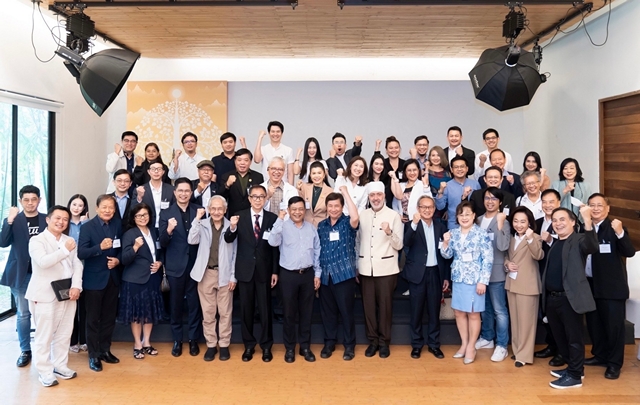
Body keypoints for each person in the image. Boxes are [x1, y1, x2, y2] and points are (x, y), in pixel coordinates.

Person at [26, 205, 83, 387]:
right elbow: (43, 262)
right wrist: (64, 250)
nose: (61, 222)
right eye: (57, 218)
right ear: (48, 219)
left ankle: (60, 365)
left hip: (68, 293)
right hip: (45, 294)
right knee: (44, 335)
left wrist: (76, 286)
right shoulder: (37, 240)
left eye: (65, 219)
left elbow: (77, 265)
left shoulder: (69, 240)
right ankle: (44, 371)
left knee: (65, 333)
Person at [543, 205, 597, 389]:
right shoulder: (557, 243)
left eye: (562, 219)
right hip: (553, 299)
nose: (558, 223)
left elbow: (592, 246)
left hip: (570, 299)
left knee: (574, 339)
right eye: (554, 220)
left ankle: (574, 376)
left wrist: (587, 220)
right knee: (561, 338)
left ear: (573, 222)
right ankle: (575, 369)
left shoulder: (579, 240)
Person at [224, 184, 279, 363]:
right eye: (254, 196)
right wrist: (232, 227)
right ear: (249, 199)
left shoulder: (272, 218)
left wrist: (275, 271)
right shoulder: (239, 216)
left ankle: (266, 346)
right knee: (246, 310)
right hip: (245, 270)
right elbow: (228, 238)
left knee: (265, 310)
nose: (257, 200)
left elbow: (275, 248)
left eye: (261, 196)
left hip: (264, 270)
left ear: (265, 198)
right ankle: (248, 345)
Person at [584, 193, 636, 380]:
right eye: (592, 205)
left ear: (608, 208)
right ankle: (600, 355)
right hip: (590, 285)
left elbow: (629, 252)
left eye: (599, 205)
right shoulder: (585, 227)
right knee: (595, 325)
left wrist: (620, 233)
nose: (595, 209)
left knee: (614, 328)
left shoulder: (615, 227)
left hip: (612, 288)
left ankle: (614, 364)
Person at [268, 196, 321, 363]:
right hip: (288, 276)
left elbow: (317, 251)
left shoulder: (311, 228)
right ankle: (289, 348)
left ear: (304, 210)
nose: (297, 212)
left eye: (300, 209)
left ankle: (305, 347)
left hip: (307, 275)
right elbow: (272, 242)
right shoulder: (282, 227)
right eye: (294, 209)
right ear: (289, 210)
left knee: (306, 313)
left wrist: (317, 274)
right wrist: (279, 219)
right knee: (289, 314)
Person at [440, 202, 493, 364]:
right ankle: (464, 344)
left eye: (467, 214)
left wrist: (483, 281)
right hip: (458, 278)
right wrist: (446, 243)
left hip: (475, 280)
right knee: (459, 312)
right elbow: (447, 255)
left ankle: (471, 346)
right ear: (457, 217)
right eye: (461, 214)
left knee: (474, 313)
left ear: (474, 215)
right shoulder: (453, 233)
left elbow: (488, 259)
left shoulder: (481, 234)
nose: (464, 217)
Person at [0, 185, 47, 367]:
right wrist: (9, 220)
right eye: (26, 200)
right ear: (21, 201)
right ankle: (25, 350)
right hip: (20, 274)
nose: (30, 203)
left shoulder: (46, 220)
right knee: (23, 314)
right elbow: (3, 242)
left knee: (44, 313)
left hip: (42, 274)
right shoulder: (14, 220)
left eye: (33, 199)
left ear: (39, 200)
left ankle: (44, 349)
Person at [358, 181, 404, 358]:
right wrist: (357, 265)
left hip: (387, 269)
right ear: (368, 197)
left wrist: (389, 232)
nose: (375, 198)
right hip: (365, 269)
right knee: (368, 308)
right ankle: (373, 341)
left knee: (385, 307)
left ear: (384, 196)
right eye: (372, 195)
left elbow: (399, 245)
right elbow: (358, 241)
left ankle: (384, 342)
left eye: (378, 195)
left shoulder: (393, 215)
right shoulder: (362, 215)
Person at [188, 196, 237, 362]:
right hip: (206, 274)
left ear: (225, 210)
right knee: (208, 313)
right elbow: (191, 239)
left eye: (220, 209)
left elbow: (235, 253)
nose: (216, 212)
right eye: (213, 209)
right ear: (209, 209)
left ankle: (224, 344)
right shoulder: (202, 224)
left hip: (225, 274)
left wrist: (233, 276)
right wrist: (197, 219)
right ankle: (211, 344)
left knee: (225, 312)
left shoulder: (231, 226)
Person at [77, 195, 122, 372]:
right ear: (97, 208)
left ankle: (105, 350)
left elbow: (121, 248)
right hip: (94, 280)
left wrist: (118, 260)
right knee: (93, 319)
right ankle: (93, 355)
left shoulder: (117, 224)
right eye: (104, 207)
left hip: (112, 278)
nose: (107, 210)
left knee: (109, 318)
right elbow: (81, 252)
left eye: (111, 207)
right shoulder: (87, 227)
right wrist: (99, 248)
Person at [159, 178, 203, 358]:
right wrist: (169, 230)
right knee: (175, 305)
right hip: (175, 266)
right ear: (175, 192)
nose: (184, 194)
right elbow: (162, 242)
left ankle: (193, 339)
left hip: (195, 265)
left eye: (187, 191)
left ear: (191, 193)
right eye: (180, 191)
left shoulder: (199, 211)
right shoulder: (165, 213)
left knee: (194, 305)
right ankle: (177, 340)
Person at [404, 195, 450, 359]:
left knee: (434, 311)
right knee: (416, 311)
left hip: (435, 273)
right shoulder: (411, 225)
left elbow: (445, 254)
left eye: (430, 207)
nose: (427, 210)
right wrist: (414, 224)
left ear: (434, 209)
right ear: (418, 209)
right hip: (418, 274)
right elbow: (406, 242)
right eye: (423, 207)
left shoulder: (440, 227)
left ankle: (434, 344)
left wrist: (445, 277)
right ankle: (416, 345)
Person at [117, 203, 164, 360]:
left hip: (152, 278)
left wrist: (160, 263)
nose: (142, 218)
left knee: (149, 313)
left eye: (145, 214)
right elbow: (124, 259)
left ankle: (147, 342)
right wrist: (135, 247)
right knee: (136, 314)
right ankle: (137, 344)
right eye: (139, 216)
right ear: (134, 218)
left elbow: (161, 252)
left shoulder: (154, 232)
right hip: (134, 280)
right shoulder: (129, 234)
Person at [317, 188, 359, 361]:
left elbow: (355, 217)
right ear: (326, 207)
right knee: (328, 313)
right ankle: (329, 343)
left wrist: (345, 193)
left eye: (337, 206)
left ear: (342, 207)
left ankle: (349, 346)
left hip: (344, 274)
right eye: (330, 206)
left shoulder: (348, 223)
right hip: (326, 275)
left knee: (346, 312)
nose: (333, 209)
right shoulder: (321, 226)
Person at [474, 188, 511, 363]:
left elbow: (503, 246)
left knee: (499, 310)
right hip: (480, 273)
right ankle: (487, 338)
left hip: (496, 272)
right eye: (487, 198)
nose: (490, 201)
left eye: (494, 198)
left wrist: (501, 224)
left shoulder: (503, 220)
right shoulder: (478, 220)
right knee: (485, 308)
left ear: (500, 202)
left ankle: (502, 345)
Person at [504, 206, 544, 367]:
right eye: (516, 221)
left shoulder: (535, 237)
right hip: (512, 283)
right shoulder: (511, 238)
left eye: (523, 221)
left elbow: (538, 255)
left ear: (529, 223)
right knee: (515, 321)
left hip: (528, 285)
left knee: (527, 323)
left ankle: (524, 356)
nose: (519, 225)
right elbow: (506, 256)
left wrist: (530, 238)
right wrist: (507, 264)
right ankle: (517, 350)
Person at [533, 189, 565, 367]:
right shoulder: (537, 223)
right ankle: (551, 345)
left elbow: (566, 248)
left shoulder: (564, 223)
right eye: (544, 202)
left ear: (558, 203)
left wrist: (550, 240)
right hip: (539, 272)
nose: (547, 205)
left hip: (557, 276)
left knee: (558, 315)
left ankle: (562, 351)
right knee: (545, 312)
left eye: (551, 202)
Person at [67, 194, 89, 354]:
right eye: (74, 204)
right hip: (67, 268)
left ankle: (84, 340)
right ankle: (72, 340)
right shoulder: (64, 223)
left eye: (80, 205)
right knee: (70, 307)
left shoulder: (87, 223)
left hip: (85, 267)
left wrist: (85, 223)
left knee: (85, 307)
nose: (77, 208)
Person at [435, 156, 481, 230]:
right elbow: (440, 207)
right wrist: (440, 191)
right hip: (454, 225)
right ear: (451, 170)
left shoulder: (475, 184)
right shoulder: (447, 186)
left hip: (473, 225)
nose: (459, 169)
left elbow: (480, 205)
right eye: (456, 167)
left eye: (462, 166)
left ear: (467, 169)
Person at [132, 159, 176, 232]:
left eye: (159, 169)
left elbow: (175, 209)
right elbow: (133, 210)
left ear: (163, 172)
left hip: (167, 228)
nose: (156, 171)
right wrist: (139, 197)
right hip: (147, 228)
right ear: (148, 171)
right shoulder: (140, 189)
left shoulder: (171, 190)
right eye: (153, 169)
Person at [220, 148, 265, 217]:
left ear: (250, 162)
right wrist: (227, 184)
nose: (242, 163)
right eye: (239, 160)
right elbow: (220, 197)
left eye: (246, 160)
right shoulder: (226, 176)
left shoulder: (258, 177)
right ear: (235, 161)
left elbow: (261, 197)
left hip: (252, 215)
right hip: (233, 215)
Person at [551, 158, 592, 222]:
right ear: (562, 171)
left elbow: (590, 202)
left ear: (577, 169)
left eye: (572, 168)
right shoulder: (556, 184)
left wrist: (585, 206)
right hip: (562, 219)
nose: (568, 171)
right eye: (565, 168)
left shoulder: (586, 185)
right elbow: (553, 202)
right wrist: (564, 191)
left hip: (581, 219)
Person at [297, 161, 333, 227]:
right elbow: (299, 206)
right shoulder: (304, 187)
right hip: (305, 226)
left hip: (321, 227)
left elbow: (330, 213)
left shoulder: (330, 191)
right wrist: (298, 189)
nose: (316, 176)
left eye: (319, 173)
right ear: (310, 175)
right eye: (314, 173)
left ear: (324, 175)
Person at [426, 146, 451, 223]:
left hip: (443, 210)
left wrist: (448, 210)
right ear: (429, 157)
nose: (436, 158)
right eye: (433, 155)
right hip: (428, 208)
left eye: (438, 155)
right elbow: (424, 187)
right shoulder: (425, 172)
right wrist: (426, 169)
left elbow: (450, 194)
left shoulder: (447, 173)